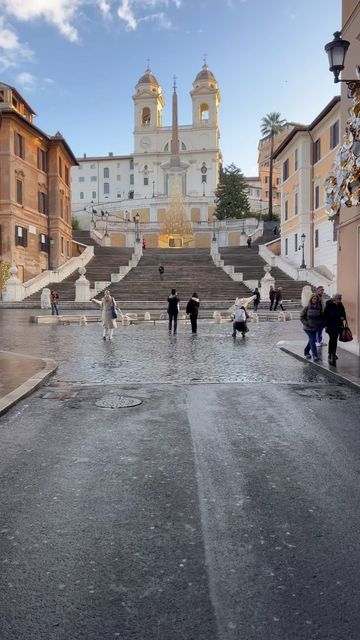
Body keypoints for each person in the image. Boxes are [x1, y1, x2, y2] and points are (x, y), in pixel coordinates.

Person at [323, 293, 347, 366]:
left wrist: (343, 317)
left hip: (338, 325)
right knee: (332, 339)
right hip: (330, 325)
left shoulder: (340, 305)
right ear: (335, 299)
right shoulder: (329, 305)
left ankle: (333, 353)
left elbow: (343, 313)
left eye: (340, 298)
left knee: (335, 339)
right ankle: (330, 353)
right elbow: (325, 316)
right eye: (339, 298)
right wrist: (326, 325)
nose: (340, 300)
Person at [300, 293, 323, 361]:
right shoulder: (307, 307)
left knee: (312, 340)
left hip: (315, 327)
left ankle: (306, 351)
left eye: (316, 299)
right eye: (314, 299)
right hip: (308, 328)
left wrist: (320, 323)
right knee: (313, 340)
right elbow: (301, 317)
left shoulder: (319, 308)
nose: (315, 300)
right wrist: (306, 323)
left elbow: (321, 317)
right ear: (311, 299)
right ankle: (315, 355)